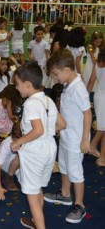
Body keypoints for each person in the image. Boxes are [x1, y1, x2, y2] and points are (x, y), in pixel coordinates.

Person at [11, 61, 66, 229]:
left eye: (18, 84)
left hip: (35, 151)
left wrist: (18, 142)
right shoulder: (47, 99)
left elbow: (37, 130)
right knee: (38, 189)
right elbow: (62, 124)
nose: (16, 88)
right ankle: (36, 221)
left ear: (28, 85)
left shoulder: (31, 104)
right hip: (49, 148)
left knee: (32, 196)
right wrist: (48, 132)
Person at [44, 49, 92, 224]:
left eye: (56, 74)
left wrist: (85, 139)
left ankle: (79, 204)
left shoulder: (78, 88)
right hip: (66, 136)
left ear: (65, 69)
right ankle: (65, 194)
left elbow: (87, 114)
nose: (56, 77)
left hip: (75, 140)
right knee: (63, 166)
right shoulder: (67, 85)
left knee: (75, 172)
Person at [0, 121, 22, 195]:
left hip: (19, 165)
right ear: (12, 137)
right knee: (19, 156)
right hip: (7, 165)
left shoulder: (27, 140)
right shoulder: (6, 144)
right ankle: (9, 177)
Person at [87, 49, 105, 166]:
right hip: (103, 98)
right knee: (102, 128)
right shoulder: (99, 64)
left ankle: (102, 158)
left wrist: (85, 99)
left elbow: (91, 81)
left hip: (99, 96)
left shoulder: (98, 63)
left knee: (103, 128)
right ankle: (92, 146)